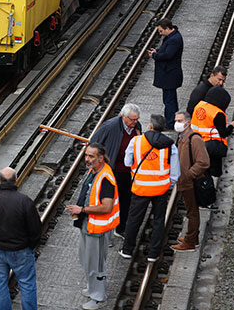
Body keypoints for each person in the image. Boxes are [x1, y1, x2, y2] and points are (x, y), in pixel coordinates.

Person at [0, 167, 42, 310]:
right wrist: (30, 245)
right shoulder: (24, 201)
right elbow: (36, 229)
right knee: (27, 284)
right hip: (21, 250)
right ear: (16, 181)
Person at [64, 142, 120, 309]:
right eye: (86, 155)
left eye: (91, 156)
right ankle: (92, 288)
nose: (87, 159)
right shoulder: (94, 171)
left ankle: (98, 297)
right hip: (88, 225)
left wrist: (82, 209)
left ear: (100, 158)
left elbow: (106, 206)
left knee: (96, 264)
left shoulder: (106, 178)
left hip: (97, 228)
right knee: (86, 260)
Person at [119, 114, 179, 262]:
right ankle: (153, 254)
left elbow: (127, 162)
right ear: (163, 128)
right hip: (160, 189)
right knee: (158, 221)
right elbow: (175, 173)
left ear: (150, 126)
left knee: (134, 219)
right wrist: (168, 185)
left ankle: (127, 250)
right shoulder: (170, 145)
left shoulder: (136, 141)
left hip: (140, 188)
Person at [89, 103, 142, 237]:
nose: (135, 122)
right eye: (132, 119)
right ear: (123, 117)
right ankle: (106, 229)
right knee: (109, 201)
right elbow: (94, 143)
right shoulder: (110, 126)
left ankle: (121, 228)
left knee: (126, 200)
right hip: (113, 171)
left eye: (136, 119)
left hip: (130, 172)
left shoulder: (137, 126)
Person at [171, 111, 210, 252]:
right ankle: (192, 237)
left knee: (192, 213)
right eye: (176, 120)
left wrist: (188, 175)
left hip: (190, 183)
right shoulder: (182, 137)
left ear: (188, 122)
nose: (177, 123)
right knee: (190, 210)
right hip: (185, 182)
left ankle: (190, 242)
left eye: (180, 120)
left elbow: (204, 162)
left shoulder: (194, 139)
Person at [190, 85, 234, 178]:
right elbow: (223, 133)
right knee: (212, 169)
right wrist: (232, 126)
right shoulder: (218, 113)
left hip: (196, 141)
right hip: (211, 145)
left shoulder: (199, 105)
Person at [148, 18, 183, 129]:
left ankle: (170, 124)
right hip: (169, 75)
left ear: (167, 28)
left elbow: (168, 55)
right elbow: (166, 50)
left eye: (161, 31)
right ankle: (173, 120)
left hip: (170, 76)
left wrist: (154, 55)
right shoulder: (172, 37)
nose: (160, 33)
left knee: (169, 101)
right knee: (170, 99)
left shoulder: (174, 39)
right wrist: (157, 51)